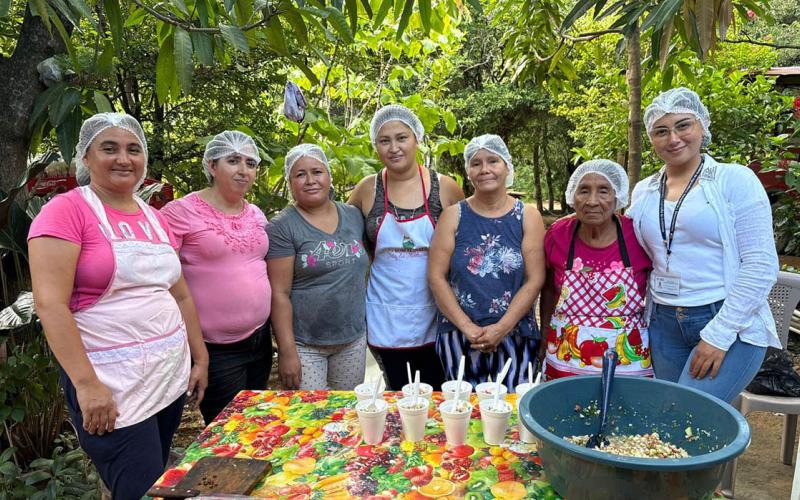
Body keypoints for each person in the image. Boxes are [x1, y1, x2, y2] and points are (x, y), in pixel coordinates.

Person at [28, 113, 208, 500]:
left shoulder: (153, 217)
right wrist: (87, 385)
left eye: (133, 150)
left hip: (166, 377)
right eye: (109, 148)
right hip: (112, 385)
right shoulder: (65, 212)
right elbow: (50, 304)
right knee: (136, 488)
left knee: (156, 478)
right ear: (86, 157)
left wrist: (200, 357)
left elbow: (180, 294)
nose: (123, 159)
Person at [628, 87, 781, 403]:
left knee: (688, 414)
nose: (673, 138)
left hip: (725, 317)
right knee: (668, 419)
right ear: (651, 138)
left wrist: (719, 334)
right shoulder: (644, 191)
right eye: (661, 131)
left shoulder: (734, 180)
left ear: (702, 125)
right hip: (663, 323)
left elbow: (761, 264)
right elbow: (627, 247)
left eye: (683, 125)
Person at [348, 104, 465, 390]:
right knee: (399, 394)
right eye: (384, 140)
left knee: (438, 394)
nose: (394, 148)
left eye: (402, 138)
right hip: (385, 314)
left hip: (437, 313)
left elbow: (466, 246)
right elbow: (344, 237)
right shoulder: (367, 189)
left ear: (417, 139)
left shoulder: (446, 187)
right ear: (376, 145)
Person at [160, 131, 270, 424]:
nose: (243, 170)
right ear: (211, 165)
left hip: (260, 339)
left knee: (258, 423)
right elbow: (162, 279)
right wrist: (198, 356)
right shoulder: (180, 212)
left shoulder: (256, 214)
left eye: (250, 163)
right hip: (215, 348)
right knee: (229, 429)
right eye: (233, 161)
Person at [429, 135, 545, 389]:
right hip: (459, 335)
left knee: (513, 407)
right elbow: (436, 277)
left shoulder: (527, 215)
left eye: (493, 161)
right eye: (476, 163)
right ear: (468, 171)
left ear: (507, 166)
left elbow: (535, 279)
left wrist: (501, 328)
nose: (484, 169)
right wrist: (467, 327)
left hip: (516, 333)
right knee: (462, 407)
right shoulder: (453, 216)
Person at [268, 144, 369, 390]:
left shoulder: (354, 216)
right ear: (290, 182)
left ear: (328, 176)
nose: (310, 180)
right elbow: (279, 293)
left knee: (346, 409)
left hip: (352, 339)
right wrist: (287, 350)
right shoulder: (282, 227)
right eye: (300, 174)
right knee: (310, 411)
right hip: (305, 344)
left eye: (317, 172)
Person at [540, 160, 653, 380]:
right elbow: (549, 289)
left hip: (626, 356)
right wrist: (544, 333)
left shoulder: (638, 234)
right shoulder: (558, 234)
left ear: (617, 197)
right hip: (565, 353)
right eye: (584, 190)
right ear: (572, 196)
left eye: (603, 191)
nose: (592, 201)